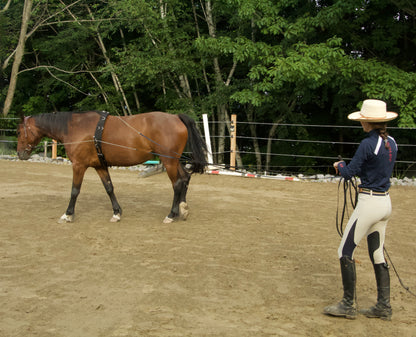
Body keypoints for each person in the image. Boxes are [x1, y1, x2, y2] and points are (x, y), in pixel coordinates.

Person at [323, 99, 398, 320]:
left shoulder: (367, 143)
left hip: (369, 203)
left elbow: (349, 173)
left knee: (344, 251)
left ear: (368, 122)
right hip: (385, 202)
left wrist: (340, 166)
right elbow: (378, 167)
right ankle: (383, 306)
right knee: (377, 253)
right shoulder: (392, 142)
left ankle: (348, 304)